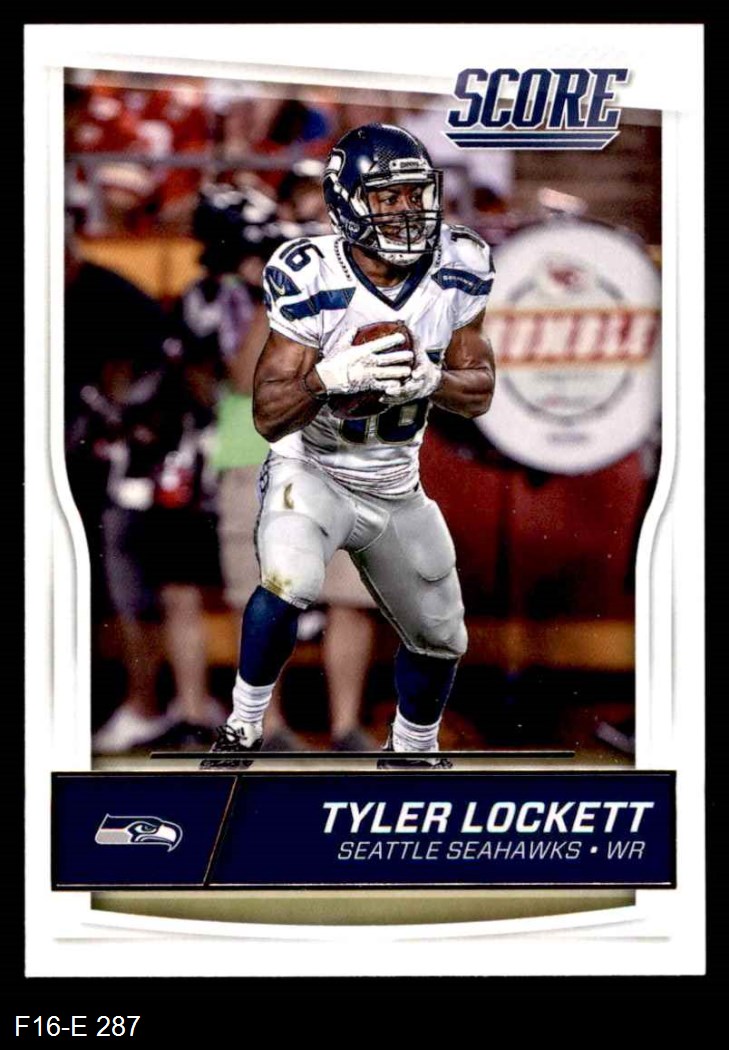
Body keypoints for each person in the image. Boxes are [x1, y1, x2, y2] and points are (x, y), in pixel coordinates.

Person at [205, 122, 496, 769]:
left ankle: (408, 751)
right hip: (309, 461)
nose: (407, 211)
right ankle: (246, 725)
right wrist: (327, 377)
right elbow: (262, 408)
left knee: (441, 631)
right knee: (288, 579)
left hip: (391, 477)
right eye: (388, 197)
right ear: (347, 202)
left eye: (415, 194)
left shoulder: (460, 265)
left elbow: (479, 391)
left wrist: (432, 379)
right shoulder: (305, 271)